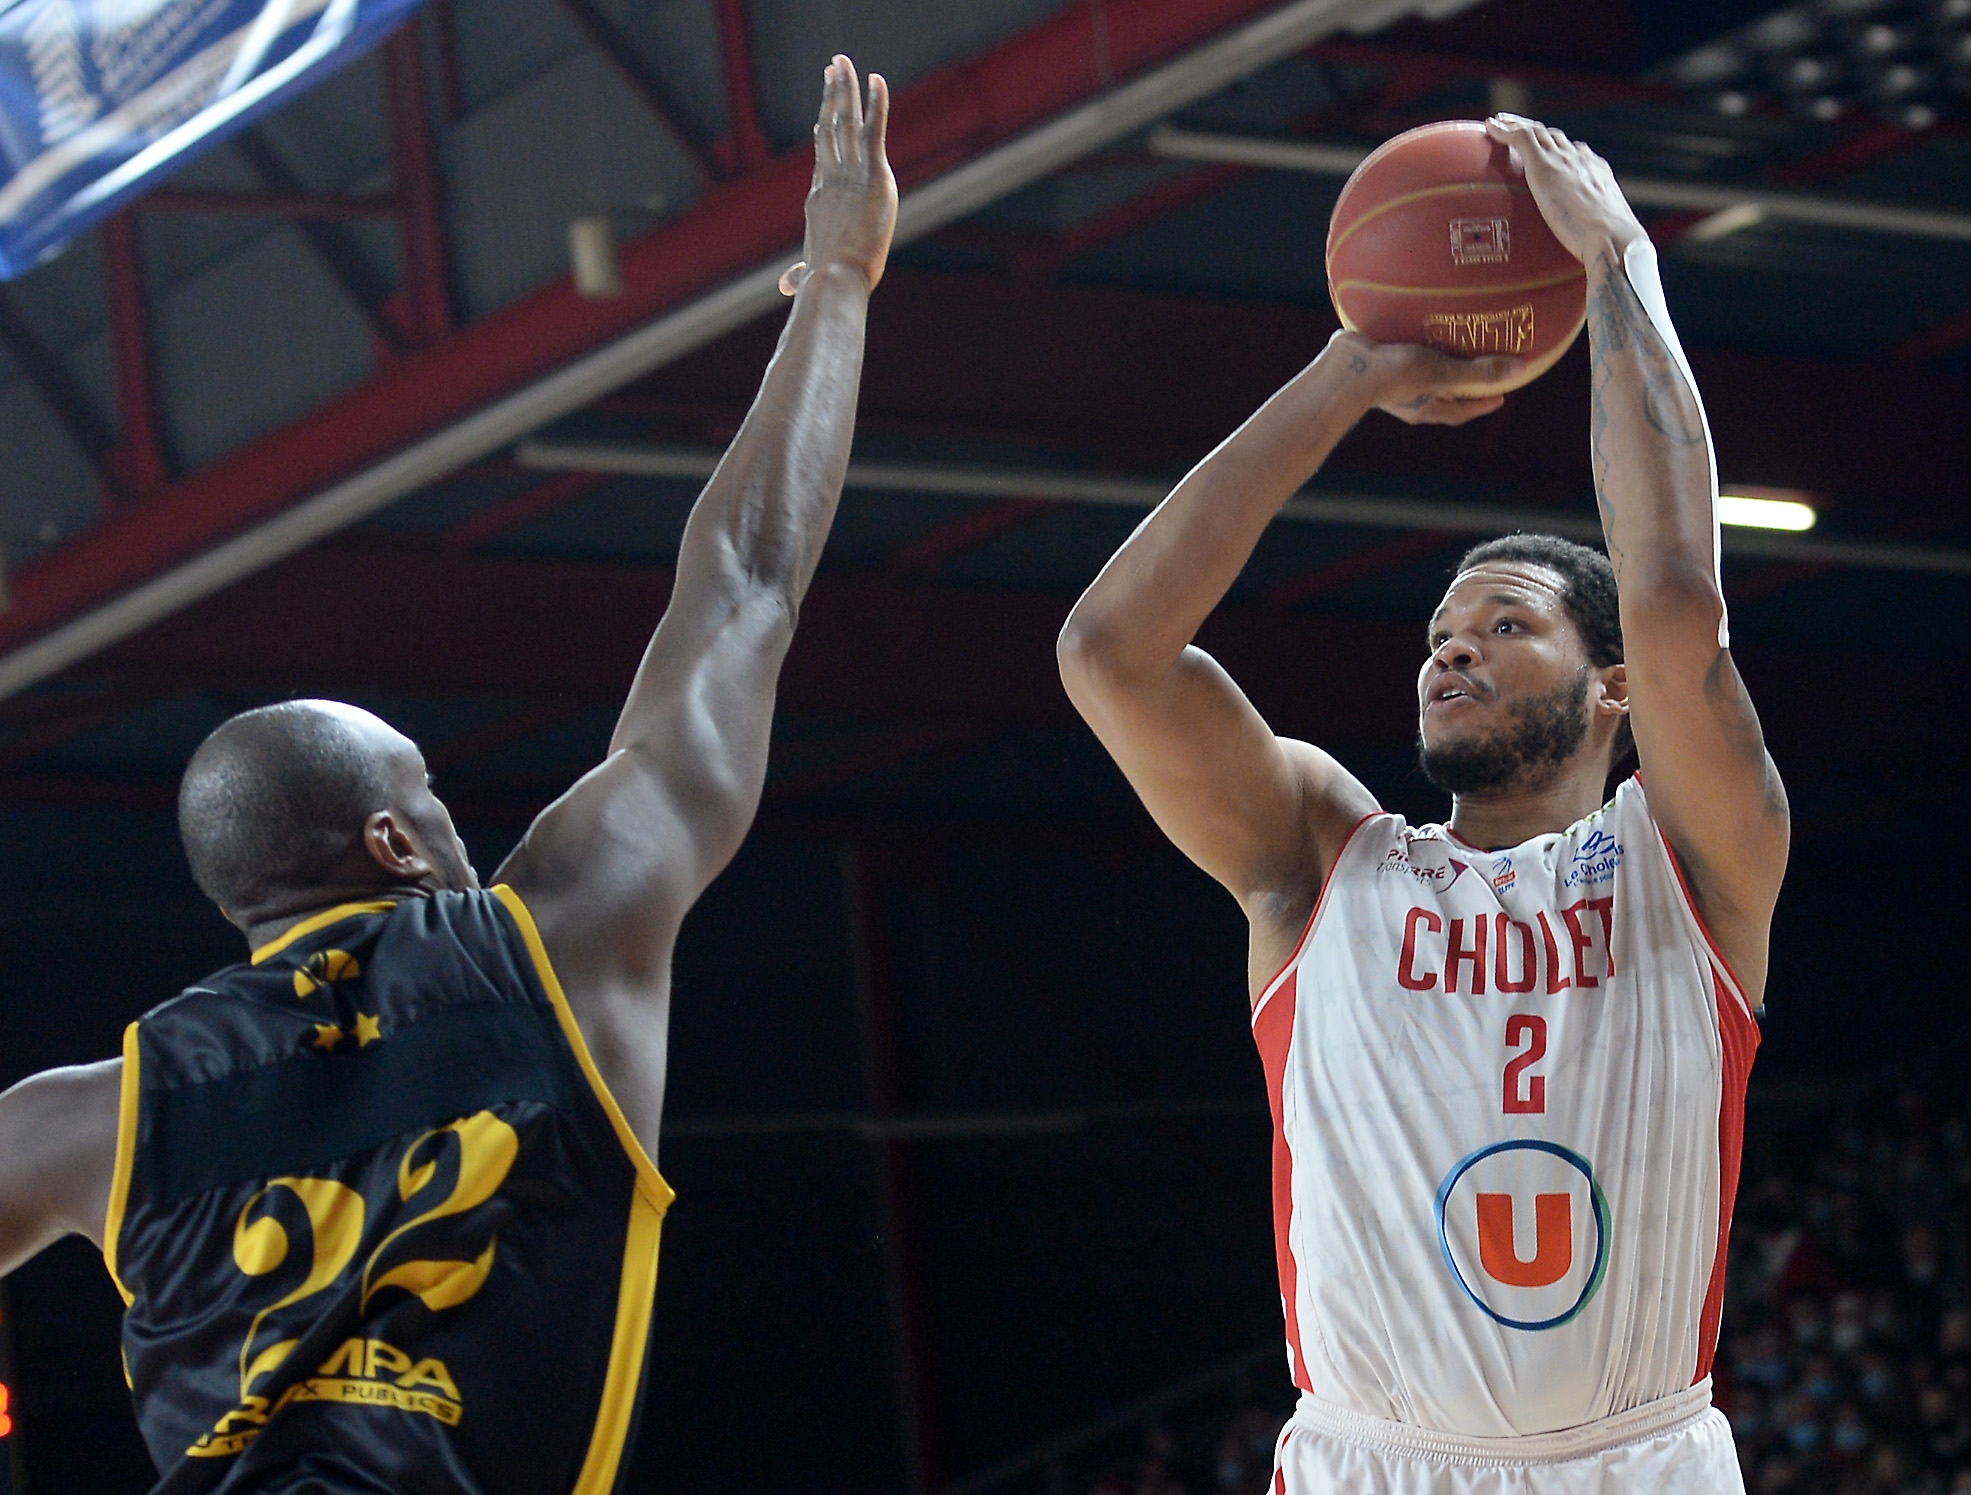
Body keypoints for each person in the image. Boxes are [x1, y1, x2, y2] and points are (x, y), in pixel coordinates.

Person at [0, 53, 895, 1495]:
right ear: (395, 844)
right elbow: (743, 588)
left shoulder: (88, 1118)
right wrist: (841, 286)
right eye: (432, 796)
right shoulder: (555, 944)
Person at [1057, 115, 1787, 1493]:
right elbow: (1109, 656)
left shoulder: (1688, 856)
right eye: (1442, 632)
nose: (1451, 649)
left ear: (1612, 688)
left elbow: (1679, 594)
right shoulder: (1322, 859)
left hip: (1636, 1462)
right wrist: (1346, 377)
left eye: (1506, 626)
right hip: (1375, 1466)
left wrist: (1620, 259)